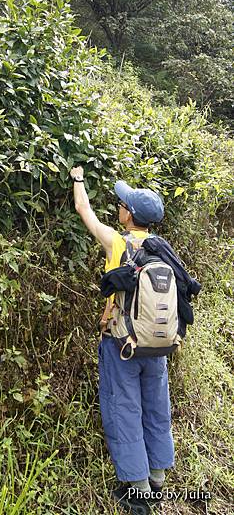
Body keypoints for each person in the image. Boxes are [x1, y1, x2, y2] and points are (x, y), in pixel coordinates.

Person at [70, 165, 174, 515]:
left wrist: (78, 179)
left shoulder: (118, 243)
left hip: (122, 345)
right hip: (158, 347)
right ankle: (157, 479)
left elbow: (84, 211)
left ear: (128, 215)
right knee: (156, 410)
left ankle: (139, 492)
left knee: (125, 410)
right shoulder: (163, 250)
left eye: (123, 203)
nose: (120, 206)